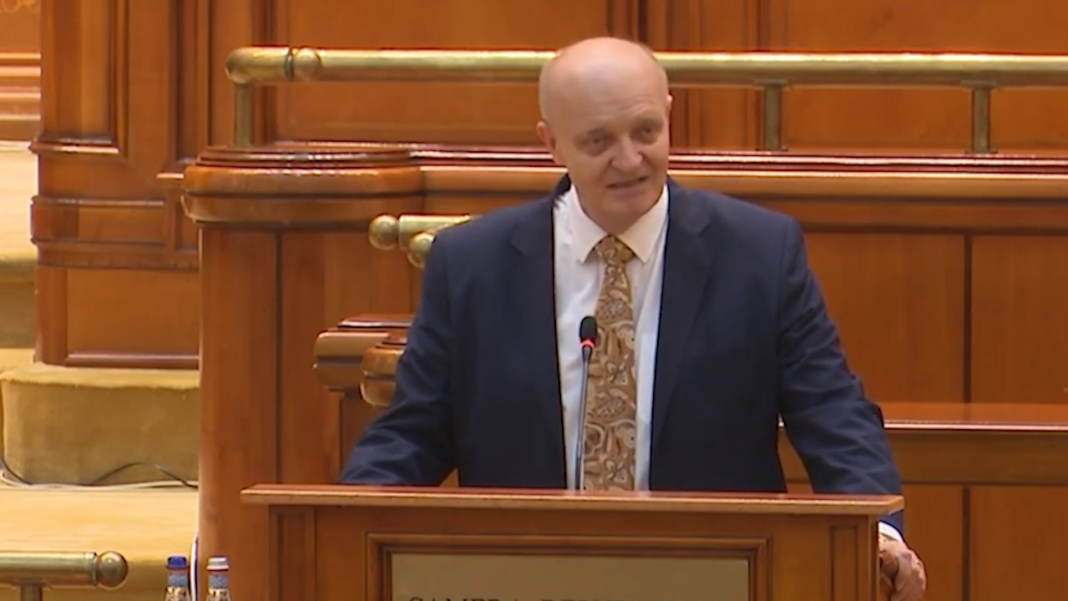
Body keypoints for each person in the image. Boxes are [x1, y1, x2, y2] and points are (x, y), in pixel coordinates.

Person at [340, 36, 926, 601]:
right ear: (551, 143)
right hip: (523, 575)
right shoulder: (473, 264)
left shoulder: (758, 253)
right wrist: (345, 528)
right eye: (598, 141)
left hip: (713, 575)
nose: (629, 160)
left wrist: (877, 534)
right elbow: (414, 433)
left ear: (669, 113)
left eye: (646, 131)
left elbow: (831, 412)